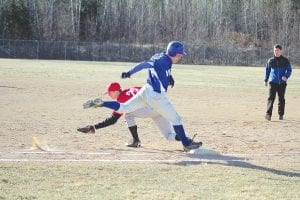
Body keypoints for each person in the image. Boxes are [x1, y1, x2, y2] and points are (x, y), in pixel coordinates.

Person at [83, 41, 202, 151]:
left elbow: (160, 68)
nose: (180, 57)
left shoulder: (160, 56)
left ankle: (102, 103)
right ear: (173, 53)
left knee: (124, 108)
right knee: (176, 119)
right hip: (156, 96)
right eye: (180, 54)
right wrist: (129, 72)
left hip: (145, 90)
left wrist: (169, 77)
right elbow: (144, 65)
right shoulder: (162, 60)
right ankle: (186, 144)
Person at [78, 82, 181, 148]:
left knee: (127, 114)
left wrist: (94, 127)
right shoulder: (133, 88)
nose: (109, 95)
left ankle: (136, 141)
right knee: (169, 136)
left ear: (115, 91)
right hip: (159, 107)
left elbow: (113, 120)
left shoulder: (121, 99)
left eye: (109, 93)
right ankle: (185, 139)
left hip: (147, 109)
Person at [264, 44, 292, 121]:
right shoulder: (270, 61)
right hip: (272, 83)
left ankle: (281, 115)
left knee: (281, 99)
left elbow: (289, 70)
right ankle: (268, 114)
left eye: (277, 50)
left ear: (281, 51)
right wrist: (266, 80)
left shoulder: (285, 61)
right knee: (271, 98)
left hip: (282, 83)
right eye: (275, 50)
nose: (276, 52)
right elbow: (267, 71)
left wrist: (286, 76)